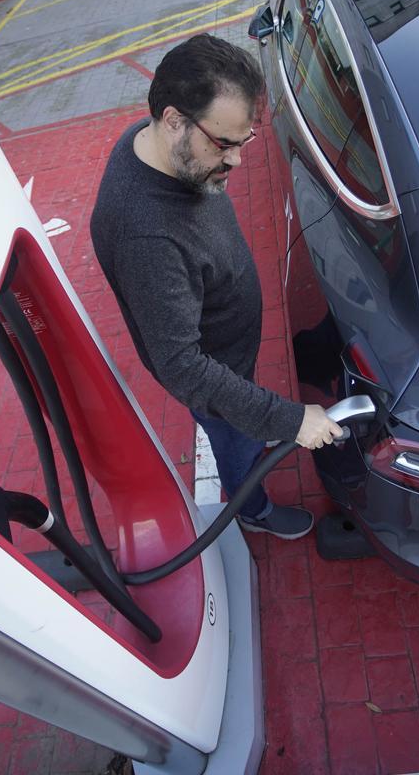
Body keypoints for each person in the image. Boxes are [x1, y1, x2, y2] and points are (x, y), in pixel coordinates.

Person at [90, 34, 342, 540]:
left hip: (230, 351)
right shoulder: (147, 237)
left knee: (245, 426)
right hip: (214, 375)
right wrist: (288, 420)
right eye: (224, 144)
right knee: (237, 441)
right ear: (173, 120)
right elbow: (183, 367)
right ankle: (253, 510)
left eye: (243, 141)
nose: (236, 162)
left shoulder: (159, 146)